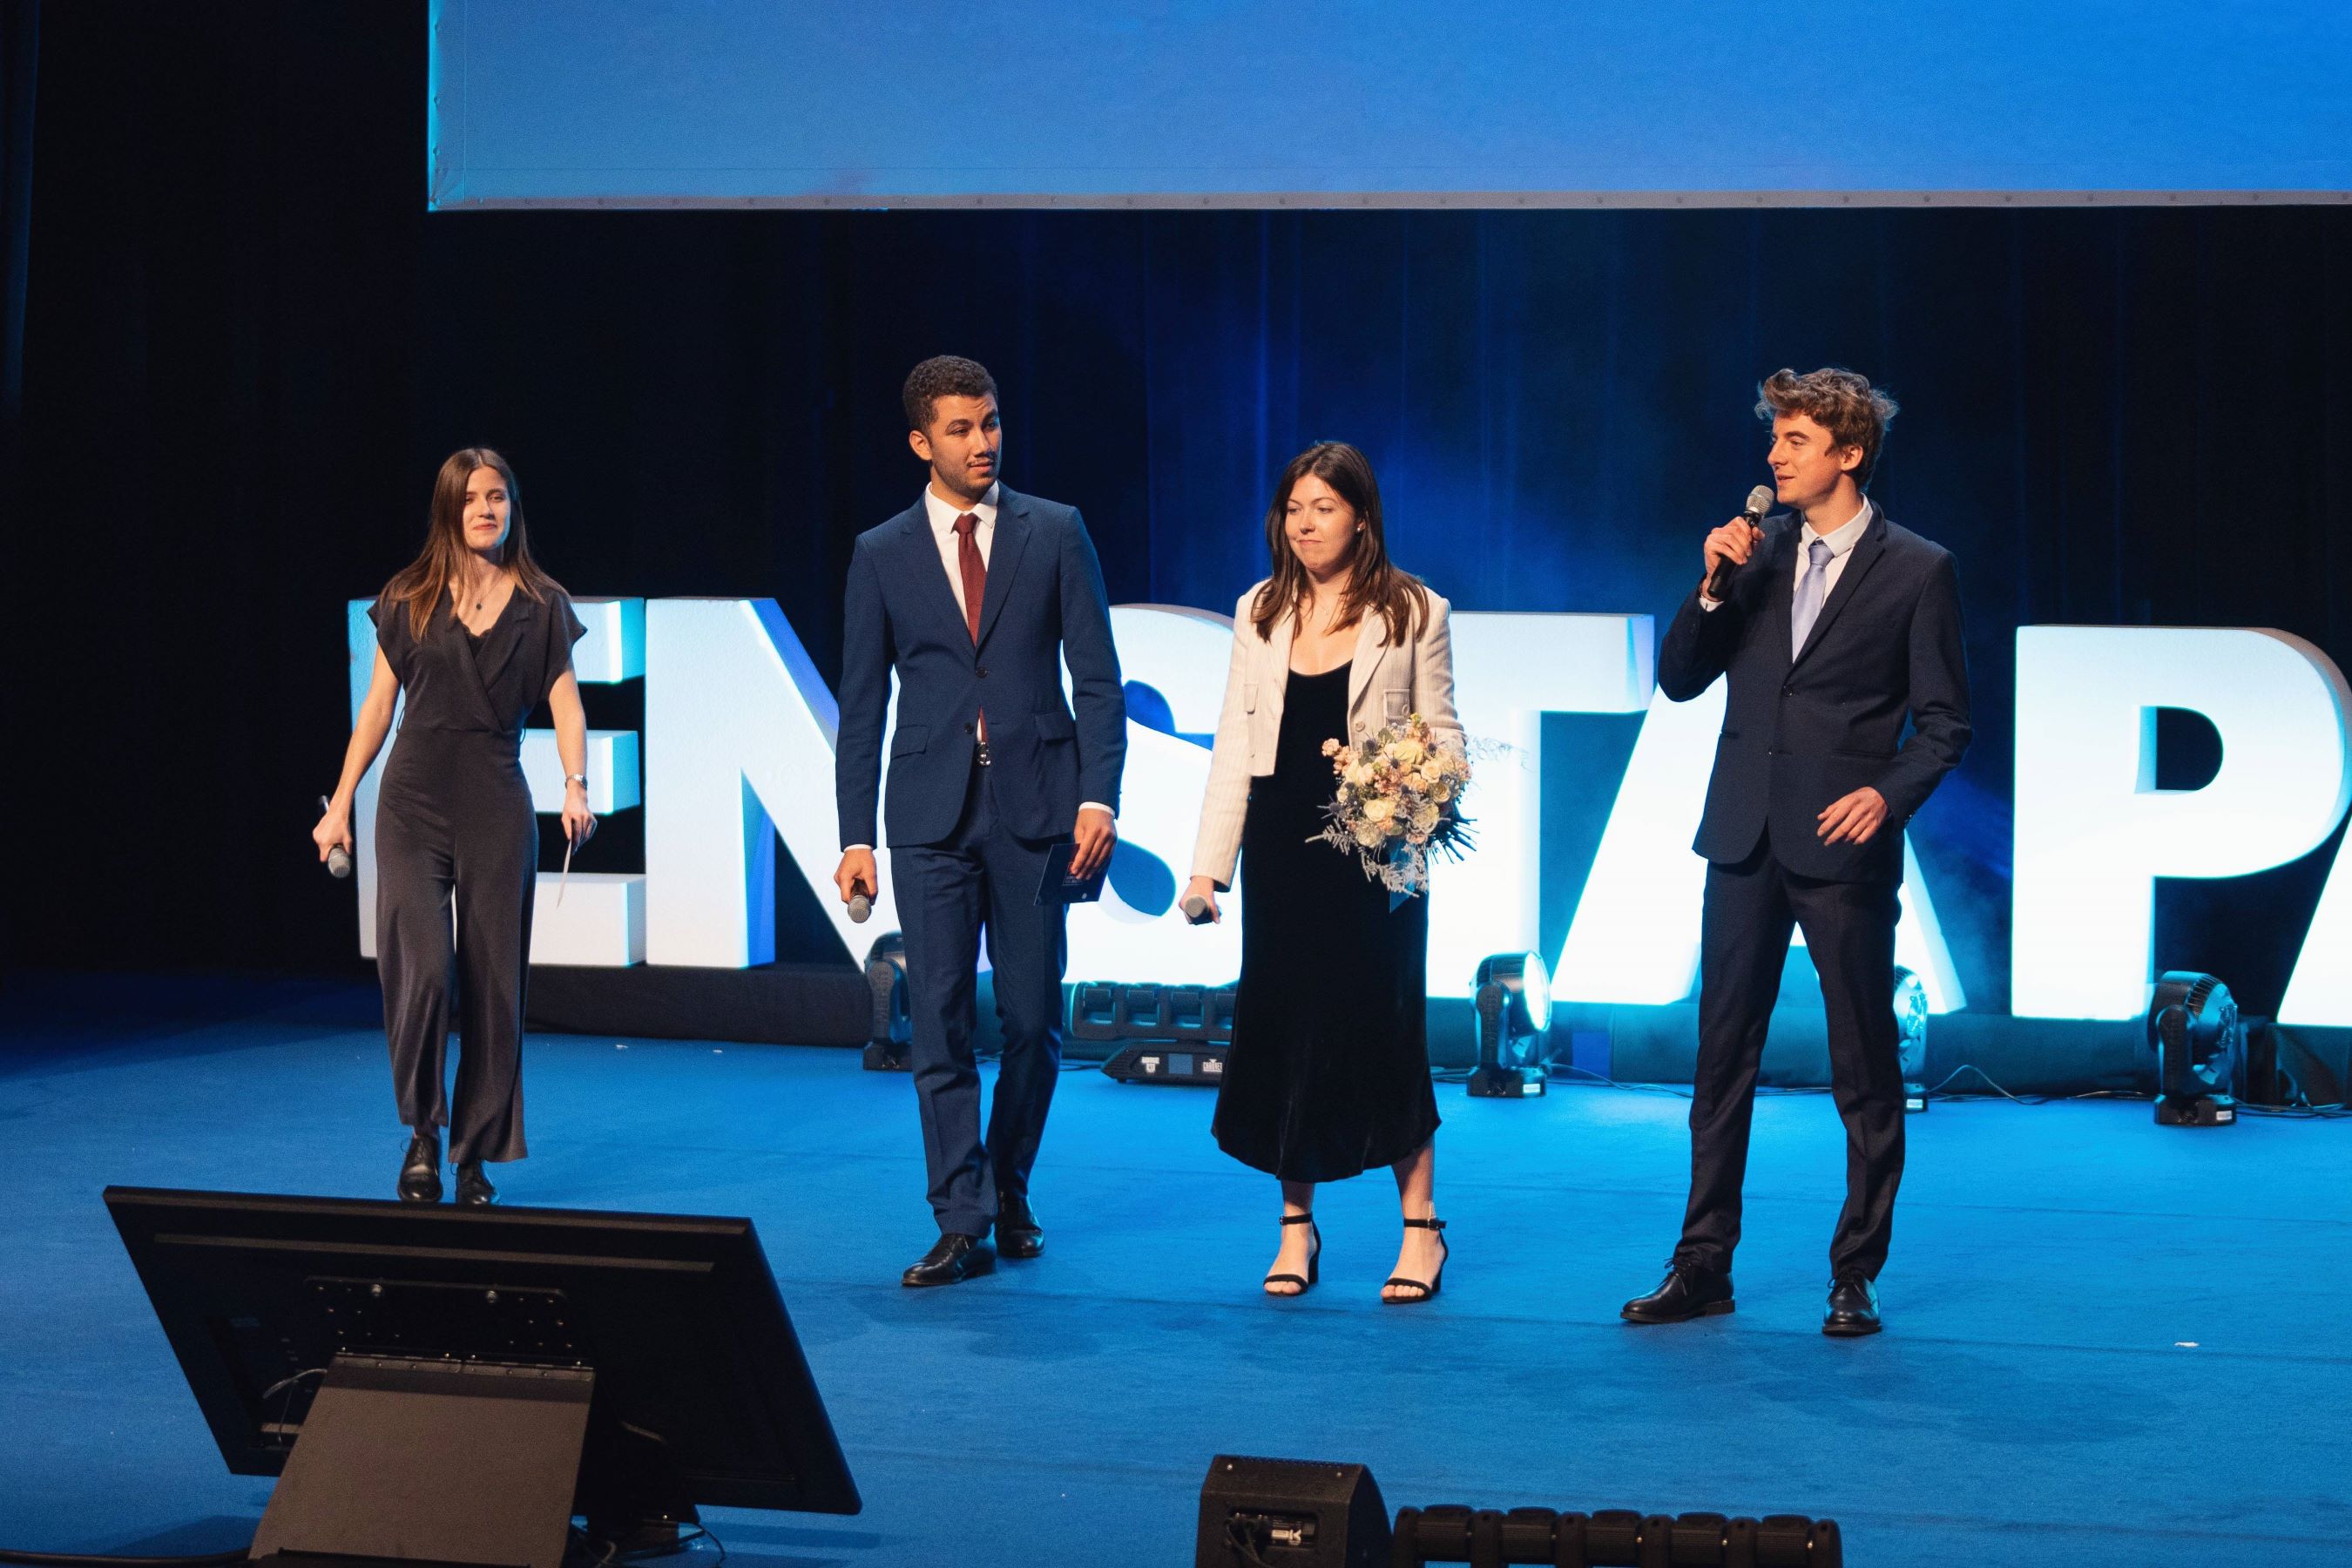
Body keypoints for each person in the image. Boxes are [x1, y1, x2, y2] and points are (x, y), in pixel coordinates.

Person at [1622, 368, 1970, 1336]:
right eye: (1773, 439)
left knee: (1863, 1064)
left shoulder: (1917, 569)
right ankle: (1702, 1265)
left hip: (1841, 842)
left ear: (1849, 453)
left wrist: (1886, 793)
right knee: (1720, 1056)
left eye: (1796, 441)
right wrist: (1710, 585)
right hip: (1741, 833)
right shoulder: (1756, 551)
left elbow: (1946, 725)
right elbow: (1682, 680)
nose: (1774, 456)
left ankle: (1854, 1272)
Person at [833, 355, 1126, 1288]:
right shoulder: (880, 552)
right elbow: (862, 706)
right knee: (942, 1023)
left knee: (1037, 1021)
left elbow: (1098, 679)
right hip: (927, 817)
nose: (983, 442)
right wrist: (853, 836)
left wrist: (1098, 796)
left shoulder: (1056, 531)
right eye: (961, 429)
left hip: (1040, 810)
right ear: (923, 442)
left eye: (991, 423)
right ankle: (961, 1217)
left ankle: (1007, 1185)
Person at [1186, 441, 1463, 1303]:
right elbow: (1235, 743)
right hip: (1279, 854)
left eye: (1326, 508)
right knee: (1285, 1032)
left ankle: (1421, 1232)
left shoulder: (1416, 611)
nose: (1307, 524)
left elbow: (1445, 740)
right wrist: (1207, 872)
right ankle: (1295, 1231)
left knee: (1386, 1030)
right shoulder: (1258, 611)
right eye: (1295, 508)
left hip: (1375, 865)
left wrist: (1407, 806)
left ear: (1361, 517)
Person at [313, 448, 594, 1206]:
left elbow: (567, 706)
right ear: (447, 509)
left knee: (494, 984)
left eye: (497, 497)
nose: (485, 510)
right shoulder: (407, 598)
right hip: (412, 802)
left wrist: (575, 786)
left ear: (513, 508)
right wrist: (340, 803)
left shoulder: (542, 603)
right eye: (471, 499)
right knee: (425, 972)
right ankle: (422, 1134)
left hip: (497, 802)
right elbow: (377, 708)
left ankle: (474, 1155)